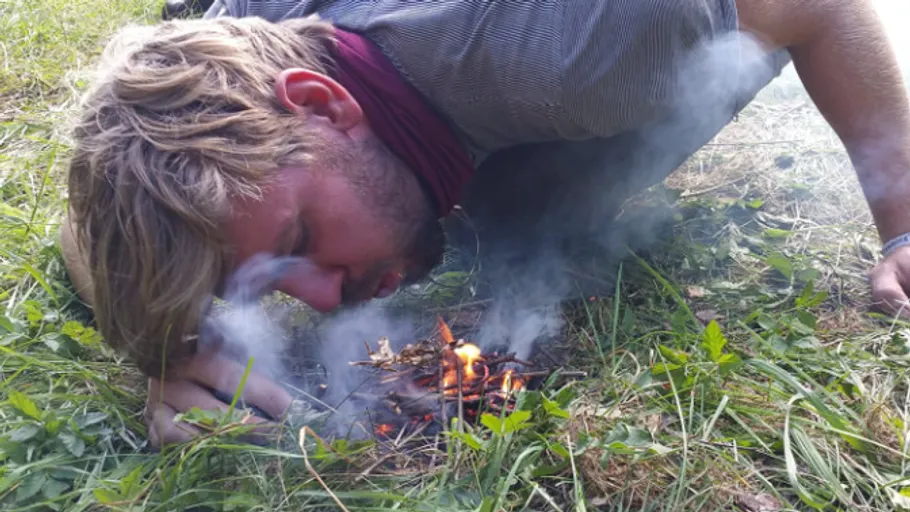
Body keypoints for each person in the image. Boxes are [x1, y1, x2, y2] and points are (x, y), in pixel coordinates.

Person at [61, 0, 910, 449]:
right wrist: (171, 348)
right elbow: (85, 227)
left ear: (323, 104)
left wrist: (902, 230)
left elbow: (827, 7)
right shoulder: (230, 85)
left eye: (297, 245)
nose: (318, 302)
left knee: (534, 214)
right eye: (266, 284)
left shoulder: (577, 53)